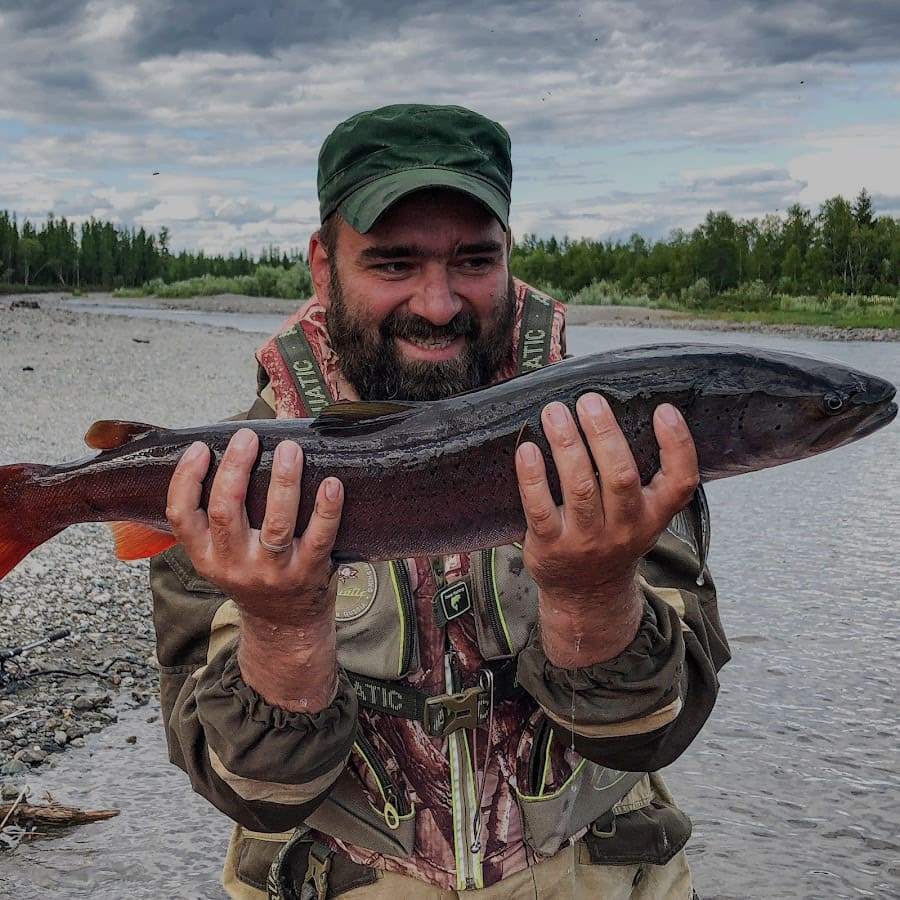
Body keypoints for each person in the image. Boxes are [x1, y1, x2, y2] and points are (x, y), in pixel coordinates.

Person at [151, 103, 730, 899]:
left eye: (472, 260)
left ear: (508, 255)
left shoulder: (612, 440)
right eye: (393, 264)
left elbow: (655, 733)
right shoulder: (234, 480)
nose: (437, 302)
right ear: (323, 266)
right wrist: (283, 633)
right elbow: (247, 790)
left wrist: (594, 595)